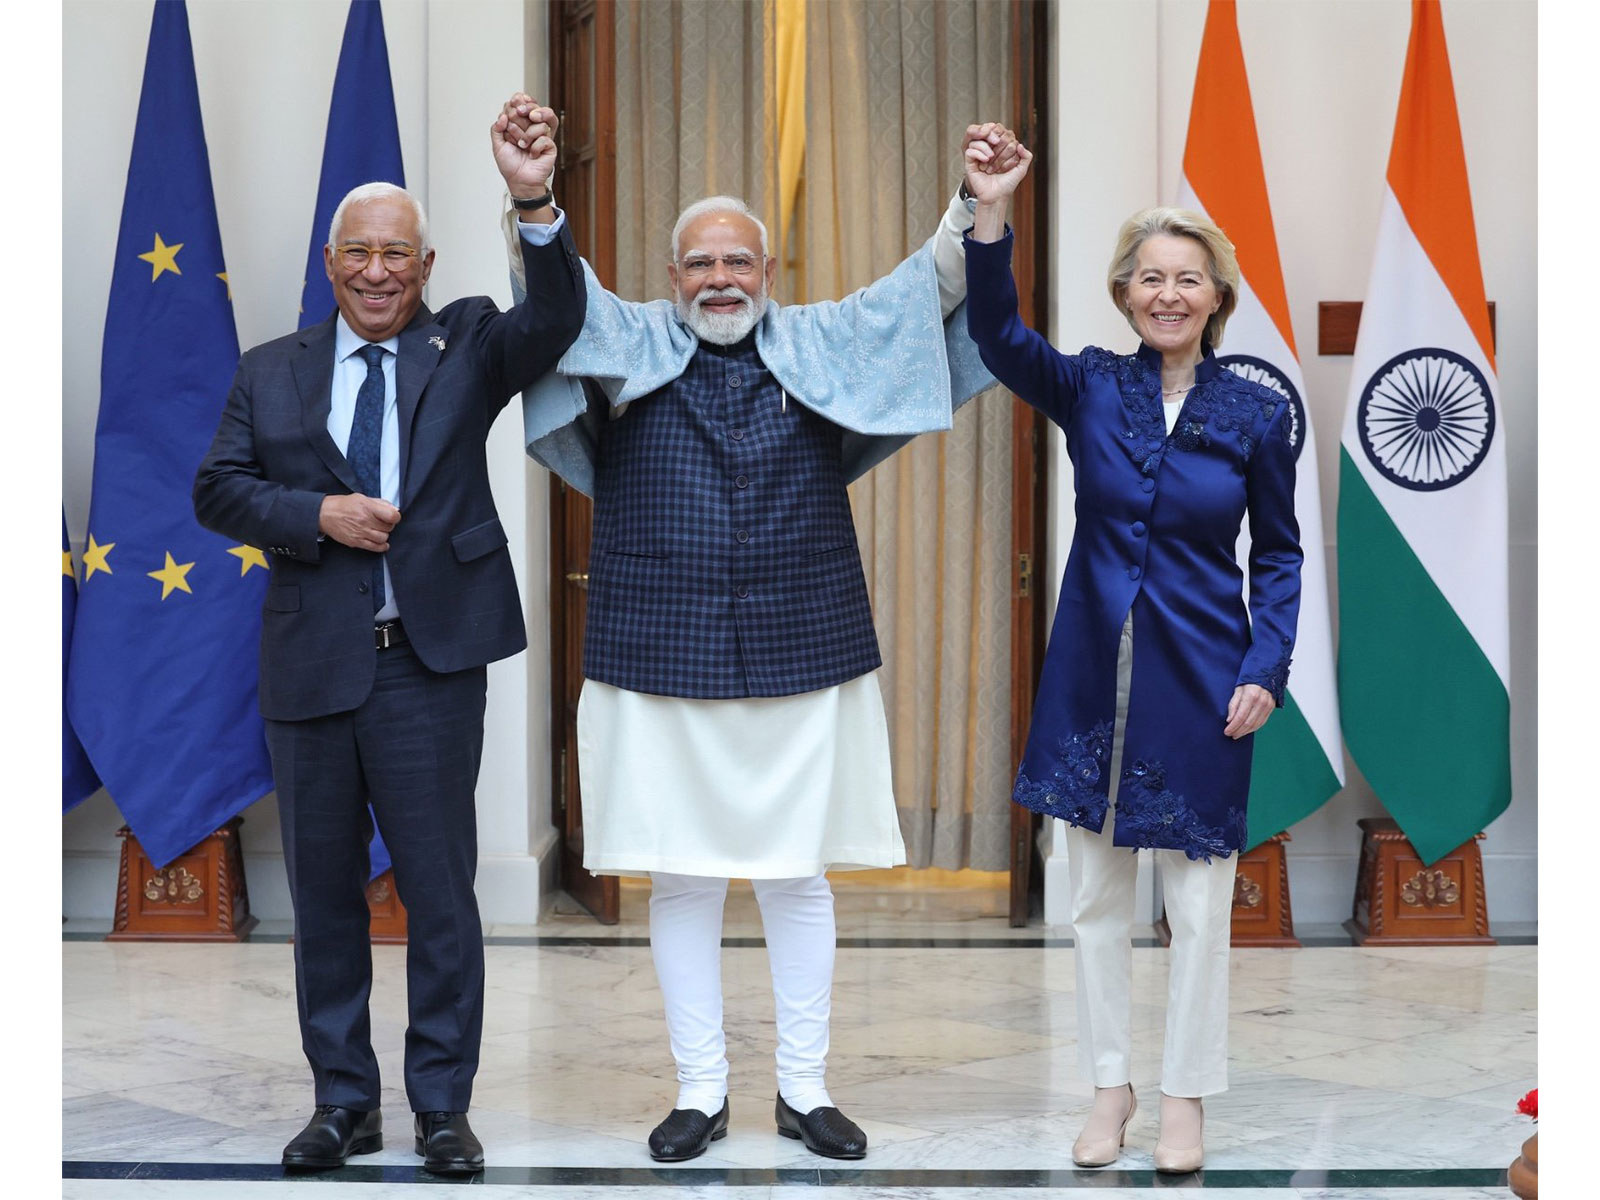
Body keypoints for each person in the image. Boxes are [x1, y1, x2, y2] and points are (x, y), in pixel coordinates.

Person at [500, 93, 1015, 1162]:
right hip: (655, 650)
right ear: (672, 273)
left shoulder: (824, 340)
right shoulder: (624, 336)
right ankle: (697, 1094)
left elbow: (928, 292)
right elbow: (554, 299)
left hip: (805, 648)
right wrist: (535, 198)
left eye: (739, 263)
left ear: (769, 275)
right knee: (681, 876)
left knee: (796, 873)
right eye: (699, 265)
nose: (720, 280)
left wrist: (976, 200)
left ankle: (803, 1090)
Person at [192, 103, 584, 1175]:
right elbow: (217, 491)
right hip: (311, 662)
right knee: (322, 899)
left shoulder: (467, 343)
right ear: (330, 263)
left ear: (426, 262)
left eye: (396, 253)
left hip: (429, 664)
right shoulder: (271, 368)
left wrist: (531, 194)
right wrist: (314, 517)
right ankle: (343, 1104)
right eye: (359, 253)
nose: (378, 271)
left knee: (440, 893)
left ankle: (443, 1108)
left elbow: (553, 317)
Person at [962, 144, 1301, 1173]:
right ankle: (1109, 1089)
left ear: (1217, 296)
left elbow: (1280, 555)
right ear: (1122, 292)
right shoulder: (1089, 388)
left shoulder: (1255, 411)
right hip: (1086, 686)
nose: (1168, 292)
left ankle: (1186, 1095)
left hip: (1204, 686)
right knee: (1096, 902)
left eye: (1186, 277)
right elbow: (992, 333)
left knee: (1199, 910)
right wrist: (989, 213)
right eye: (1149, 276)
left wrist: (1265, 666)